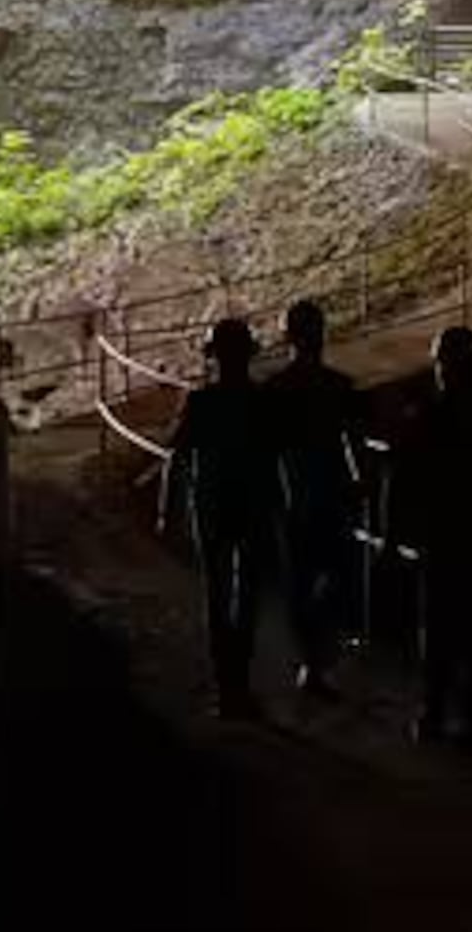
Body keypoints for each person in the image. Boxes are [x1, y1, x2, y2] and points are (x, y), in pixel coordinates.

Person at [162, 317, 275, 718]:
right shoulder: (262, 401)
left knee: (217, 593)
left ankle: (226, 687)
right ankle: (239, 683)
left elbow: (177, 458)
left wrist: (167, 510)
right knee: (246, 597)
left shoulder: (201, 402)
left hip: (211, 506)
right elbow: (274, 458)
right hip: (252, 505)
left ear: (214, 357)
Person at [265, 298, 365, 697]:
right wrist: (360, 480)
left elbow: (267, 448)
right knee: (335, 576)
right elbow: (353, 442)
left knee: (300, 581)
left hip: (294, 492)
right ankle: (318, 657)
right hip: (331, 492)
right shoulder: (338, 387)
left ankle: (313, 660)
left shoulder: (276, 390)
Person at [415, 324, 472, 745]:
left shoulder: (431, 415)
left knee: (437, 627)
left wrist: (394, 537)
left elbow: (408, 476)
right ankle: (470, 717)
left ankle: (433, 710)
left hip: (440, 533)